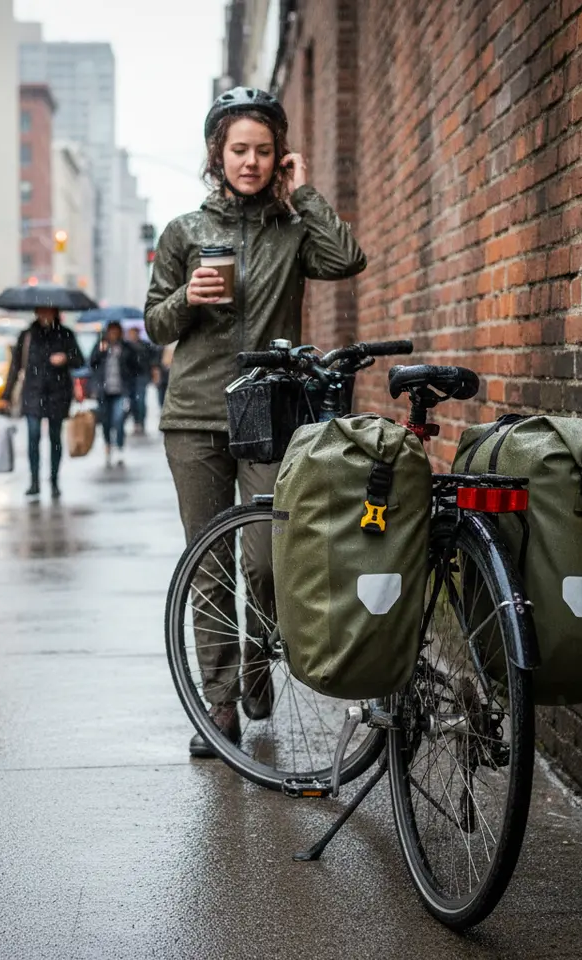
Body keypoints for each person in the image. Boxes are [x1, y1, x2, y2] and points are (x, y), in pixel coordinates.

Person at [144, 87, 367, 757]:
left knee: (269, 562)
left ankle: (255, 664)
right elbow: (155, 323)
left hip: (269, 410)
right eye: (239, 149)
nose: (251, 161)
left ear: (280, 157)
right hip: (194, 416)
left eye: (264, 151)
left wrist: (306, 194)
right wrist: (187, 297)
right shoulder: (185, 232)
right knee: (210, 565)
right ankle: (219, 709)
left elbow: (347, 260)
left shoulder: (293, 227)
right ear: (218, 153)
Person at [0, 308, 83, 499]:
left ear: (55, 313)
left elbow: (79, 360)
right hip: (33, 392)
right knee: (33, 436)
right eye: (41, 312)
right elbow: (15, 366)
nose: (45, 315)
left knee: (55, 437)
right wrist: (6, 395)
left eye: (48, 312)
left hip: (58, 393)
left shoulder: (65, 334)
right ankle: (34, 481)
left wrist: (65, 358)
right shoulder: (27, 335)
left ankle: (54, 481)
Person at [89, 321, 139, 467]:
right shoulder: (100, 346)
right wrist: (101, 351)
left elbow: (135, 365)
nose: (113, 334)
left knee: (118, 419)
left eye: (116, 331)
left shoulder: (126, 347)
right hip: (103, 391)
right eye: (111, 331)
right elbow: (92, 363)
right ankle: (108, 445)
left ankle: (119, 446)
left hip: (120, 390)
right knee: (105, 421)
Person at [125, 327, 153, 435]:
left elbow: (151, 359)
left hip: (142, 375)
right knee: (133, 401)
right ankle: (136, 421)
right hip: (130, 376)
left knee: (140, 400)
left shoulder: (144, 345)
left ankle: (140, 422)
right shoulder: (126, 346)